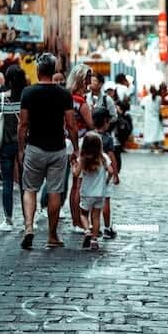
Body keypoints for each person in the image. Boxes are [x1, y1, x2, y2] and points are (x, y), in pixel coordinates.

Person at [18, 53, 78, 249]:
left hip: (34, 147)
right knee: (55, 192)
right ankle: (52, 236)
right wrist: (76, 149)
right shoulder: (64, 94)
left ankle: (28, 227)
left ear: (37, 71)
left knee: (30, 189)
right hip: (57, 149)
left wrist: (21, 148)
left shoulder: (28, 93)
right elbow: (71, 125)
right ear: (53, 72)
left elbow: (23, 124)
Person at [0, 66, 25, 232]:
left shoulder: (1, 97)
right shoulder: (27, 96)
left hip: (6, 143)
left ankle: (8, 220)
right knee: (25, 184)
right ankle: (29, 220)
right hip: (24, 144)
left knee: (7, 182)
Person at [71, 131, 114, 251]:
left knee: (83, 214)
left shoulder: (82, 159)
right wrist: (106, 181)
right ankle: (94, 240)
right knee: (96, 217)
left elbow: (76, 174)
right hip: (100, 193)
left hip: (86, 193)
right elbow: (111, 171)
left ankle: (86, 231)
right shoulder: (104, 157)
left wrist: (74, 164)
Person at [65, 65, 94, 234]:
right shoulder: (81, 101)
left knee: (75, 184)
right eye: (88, 76)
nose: (90, 80)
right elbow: (90, 124)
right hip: (81, 143)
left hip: (69, 142)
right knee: (79, 185)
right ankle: (78, 222)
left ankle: (75, 221)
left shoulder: (68, 98)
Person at [92, 108, 119, 239]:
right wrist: (115, 174)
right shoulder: (108, 139)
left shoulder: (89, 136)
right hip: (104, 176)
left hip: (91, 175)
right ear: (106, 122)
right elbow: (112, 157)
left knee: (91, 201)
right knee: (105, 200)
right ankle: (107, 228)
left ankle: (92, 227)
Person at [142, 86, 164, 152]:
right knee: (156, 132)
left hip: (148, 117)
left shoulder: (145, 98)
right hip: (156, 117)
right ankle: (155, 146)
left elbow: (142, 106)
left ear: (150, 91)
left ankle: (153, 146)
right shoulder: (159, 98)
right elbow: (160, 107)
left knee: (150, 132)